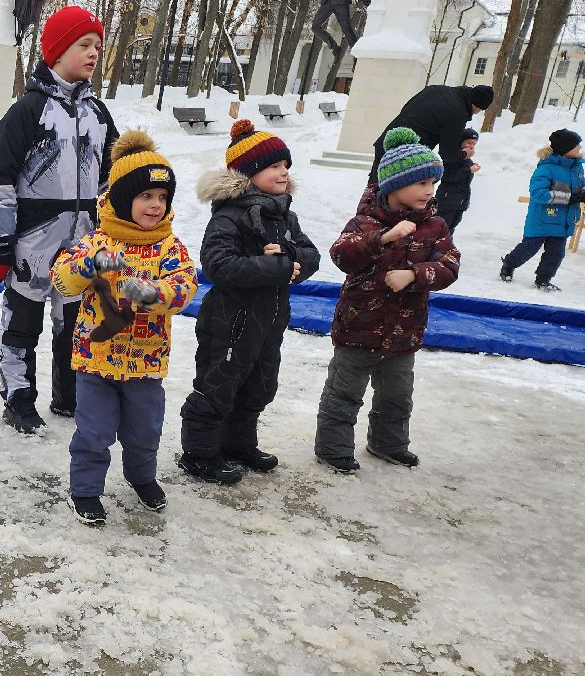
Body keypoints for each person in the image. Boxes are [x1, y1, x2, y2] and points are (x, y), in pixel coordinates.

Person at [0, 5, 119, 434]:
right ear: (57, 51)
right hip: (33, 241)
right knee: (22, 320)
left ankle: (69, 394)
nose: (94, 53)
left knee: (75, 321)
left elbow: (116, 177)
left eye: (98, 45)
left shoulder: (98, 113)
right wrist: (2, 243)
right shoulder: (28, 110)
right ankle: (19, 397)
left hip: (83, 241)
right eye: (84, 45)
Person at [51, 131, 197, 523]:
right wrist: (89, 265)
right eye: (146, 196)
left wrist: (150, 293)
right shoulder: (96, 241)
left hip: (145, 363)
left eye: (162, 197)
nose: (155, 205)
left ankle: (141, 477)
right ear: (121, 197)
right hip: (95, 360)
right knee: (93, 431)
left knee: (144, 431)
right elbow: (62, 282)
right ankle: (84, 490)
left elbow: (184, 290)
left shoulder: (170, 247)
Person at [178, 121, 320, 484]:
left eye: (286, 165)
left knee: (258, 386)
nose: (283, 172)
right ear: (250, 173)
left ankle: (239, 443)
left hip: (269, 322)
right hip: (230, 322)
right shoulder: (229, 215)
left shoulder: (285, 216)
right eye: (274, 166)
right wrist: (277, 266)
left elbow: (310, 255)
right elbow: (219, 265)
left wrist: (287, 257)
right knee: (218, 386)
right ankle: (200, 453)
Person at [315, 129, 460, 472]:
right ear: (395, 184)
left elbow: (450, 265)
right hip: (358, 328)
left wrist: (414, 275)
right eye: (421, 182)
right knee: (343, 394)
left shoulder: (435, 225)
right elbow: (342, 256)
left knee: (397, 396)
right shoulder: (365, 220)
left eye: (433, 184)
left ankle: (388, 443)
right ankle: (332, 449)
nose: (429, 191)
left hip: (404, 331)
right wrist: (381, 239)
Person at [500, 128, 585, 292]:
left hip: (563, 220)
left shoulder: (577, 167)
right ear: (565, 149)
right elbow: (538, 193)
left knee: (556, 254)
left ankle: (543, 279)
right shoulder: (546, 168)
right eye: (576, 145)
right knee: (529, 248)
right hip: (543, 218)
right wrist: (568, 198)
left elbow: (581, 183)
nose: (579, 148)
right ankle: (509, 264)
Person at [370, 83, 492, 183]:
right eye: (480, 109)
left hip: (386, 142)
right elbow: (447, 154)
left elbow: (406, 108)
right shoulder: (458, 113)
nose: (477, 112)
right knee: (389, 202)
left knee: (372, 194)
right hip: (405, 158)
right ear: (476, 105)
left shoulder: (437, 89)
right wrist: (464, 154)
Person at [434, 126, 480, 233]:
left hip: (460, 201)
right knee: (441, 228)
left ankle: (447, 247)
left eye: (474, 144)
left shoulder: (467, 159)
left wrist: (471, 168)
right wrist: (469, 171)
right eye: (469, 143)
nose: (472, 146)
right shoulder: (453, 156)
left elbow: (464, 180)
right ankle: (438, 248)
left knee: (451, 227)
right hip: (447, 201)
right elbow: (449, 177)